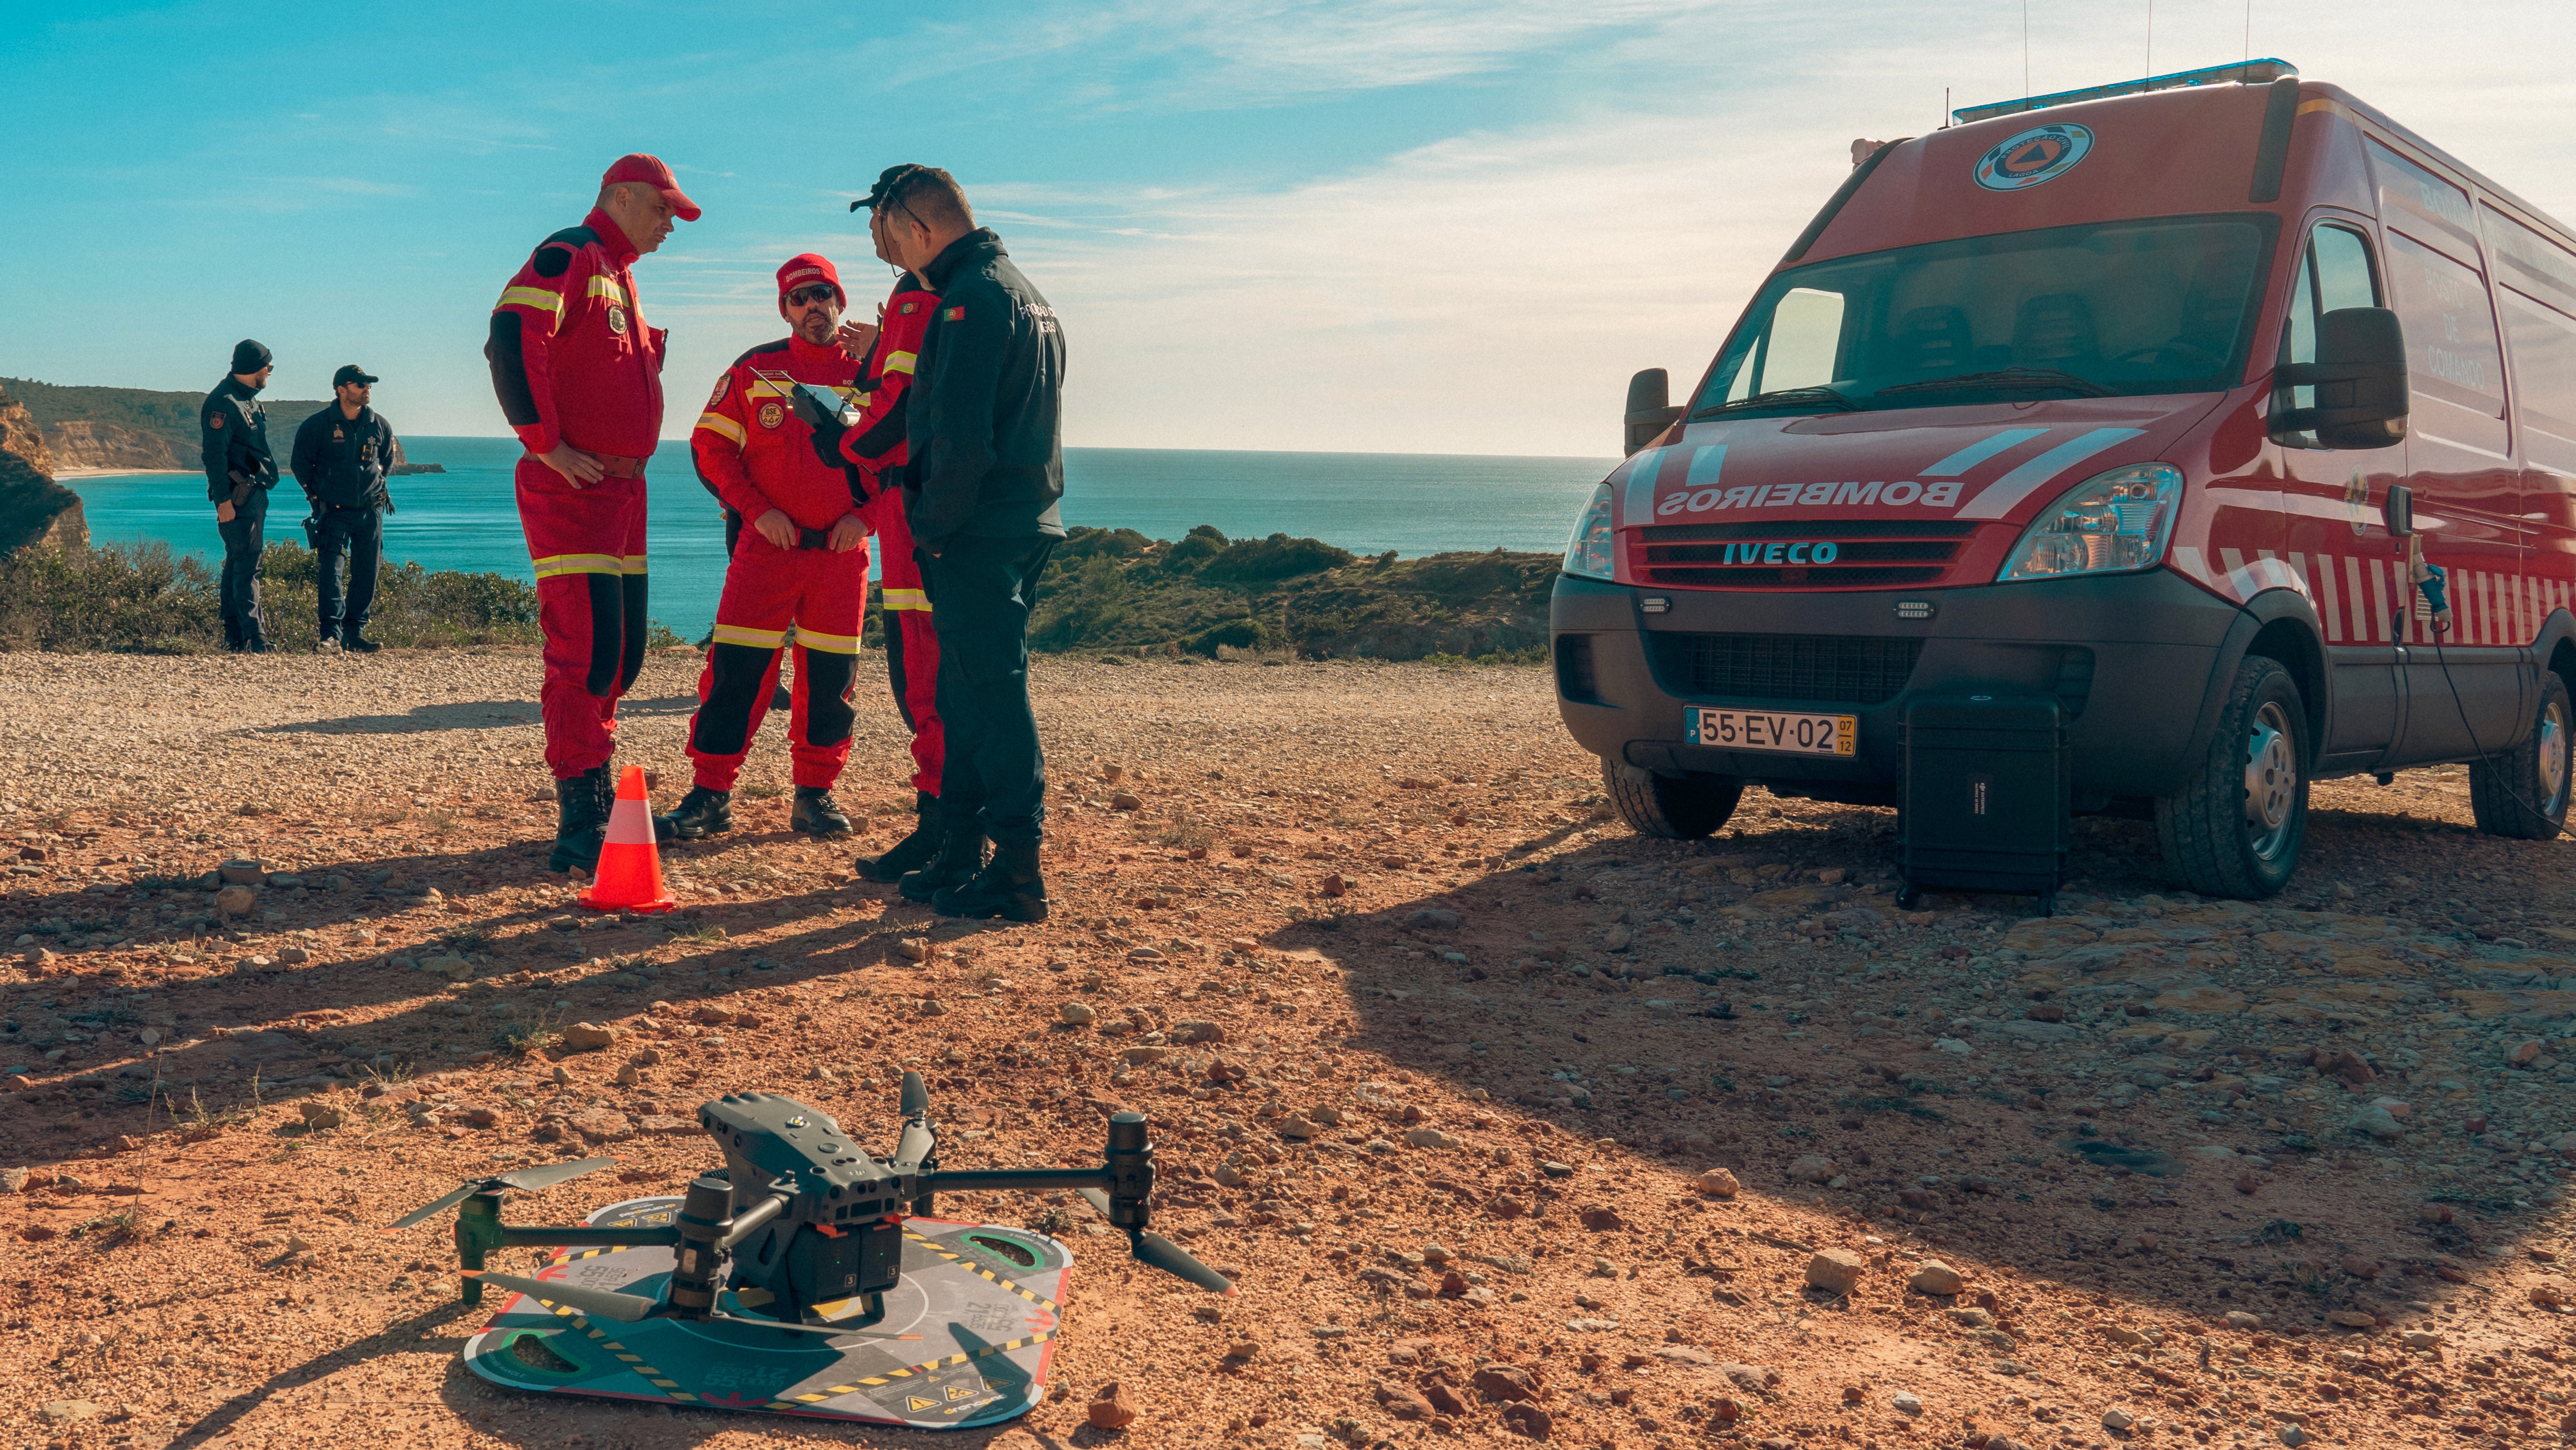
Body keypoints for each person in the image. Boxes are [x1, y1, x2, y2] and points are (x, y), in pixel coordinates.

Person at [854, 166, 1066, 922]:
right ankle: (963, 852)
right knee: (965, 693)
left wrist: (934, 529)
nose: (878, 244)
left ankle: (1016, 873)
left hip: (979, 529)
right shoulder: (1022, 291)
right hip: (1021, 518)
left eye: (881, 229)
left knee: (993, 695)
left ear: (916, 227)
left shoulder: (970, 302)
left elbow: (961, 436)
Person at [485, 152, 698, 872]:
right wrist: (545, 444)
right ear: (620, 195)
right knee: (583, 649)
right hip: (573, 494)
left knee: (622, 652)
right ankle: (580, 815)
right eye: (663, 208)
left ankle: (602, 799)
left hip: (623, 494)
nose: (671, 223)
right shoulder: (571, 252)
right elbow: (512, 336)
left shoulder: (622, 275)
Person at [660, 254, 871, 841]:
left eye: (823, 295)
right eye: (800, 299)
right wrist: (758, 511)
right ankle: (709, 796)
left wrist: (867, 517)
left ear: (840, 301)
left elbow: (900, 459)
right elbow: (711, 449)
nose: (814, 308)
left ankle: (816, 796)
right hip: (766, 549)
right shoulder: (755, 370)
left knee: (830, 680)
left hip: (840, 555)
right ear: (785, 309)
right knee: (736, 675)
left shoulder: (870, 372)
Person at [827, 169, 948, 882]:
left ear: (901, 222)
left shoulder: (915, 295)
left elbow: (898, 411)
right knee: (925, 674)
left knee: (924, 676)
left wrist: (843, 439)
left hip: (913, 508)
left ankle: (942, 828)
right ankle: (942, 822)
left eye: (875, 221)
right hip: (922, 510)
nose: (871, 234)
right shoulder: (940, 292)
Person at [288, 365, 396, 652]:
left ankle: (354, 634)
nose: (366, 389)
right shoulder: (318, 425)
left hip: (370, 511)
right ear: (340, 389)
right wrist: (316, 495)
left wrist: (375, 483)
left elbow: (386, 460)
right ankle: (331, 635)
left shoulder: (379, 425)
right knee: (331, 571)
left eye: (368, 384)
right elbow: (301, 465)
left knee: (367, 572)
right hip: (333, 511)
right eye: (360, 384)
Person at [199, 339, 278, 652]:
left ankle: (234, 636)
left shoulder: (249, 400)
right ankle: (254, 637)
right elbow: (214, 456)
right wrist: (223, 502)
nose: (270, 373)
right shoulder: (223, 403)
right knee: (248, 565)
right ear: (254, 367)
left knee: (238, 563)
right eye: (268, 367)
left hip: (252, 493)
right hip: (237, 496)